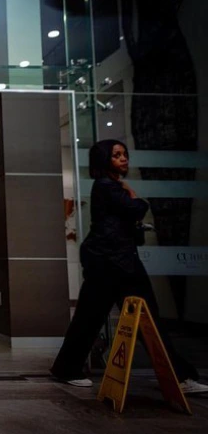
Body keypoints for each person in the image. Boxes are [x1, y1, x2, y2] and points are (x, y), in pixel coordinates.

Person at [50, 139, 208, 394]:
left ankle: (66, 368)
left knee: (91, 318)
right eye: (117, 155)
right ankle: (179, 377)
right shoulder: (107, 186)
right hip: (114, 262)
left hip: (110, 261)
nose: (124, 158)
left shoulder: (109, 186)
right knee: (143, 319)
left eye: (124, 154)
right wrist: (137, 199)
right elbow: (134, 208)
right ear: (104, 160)